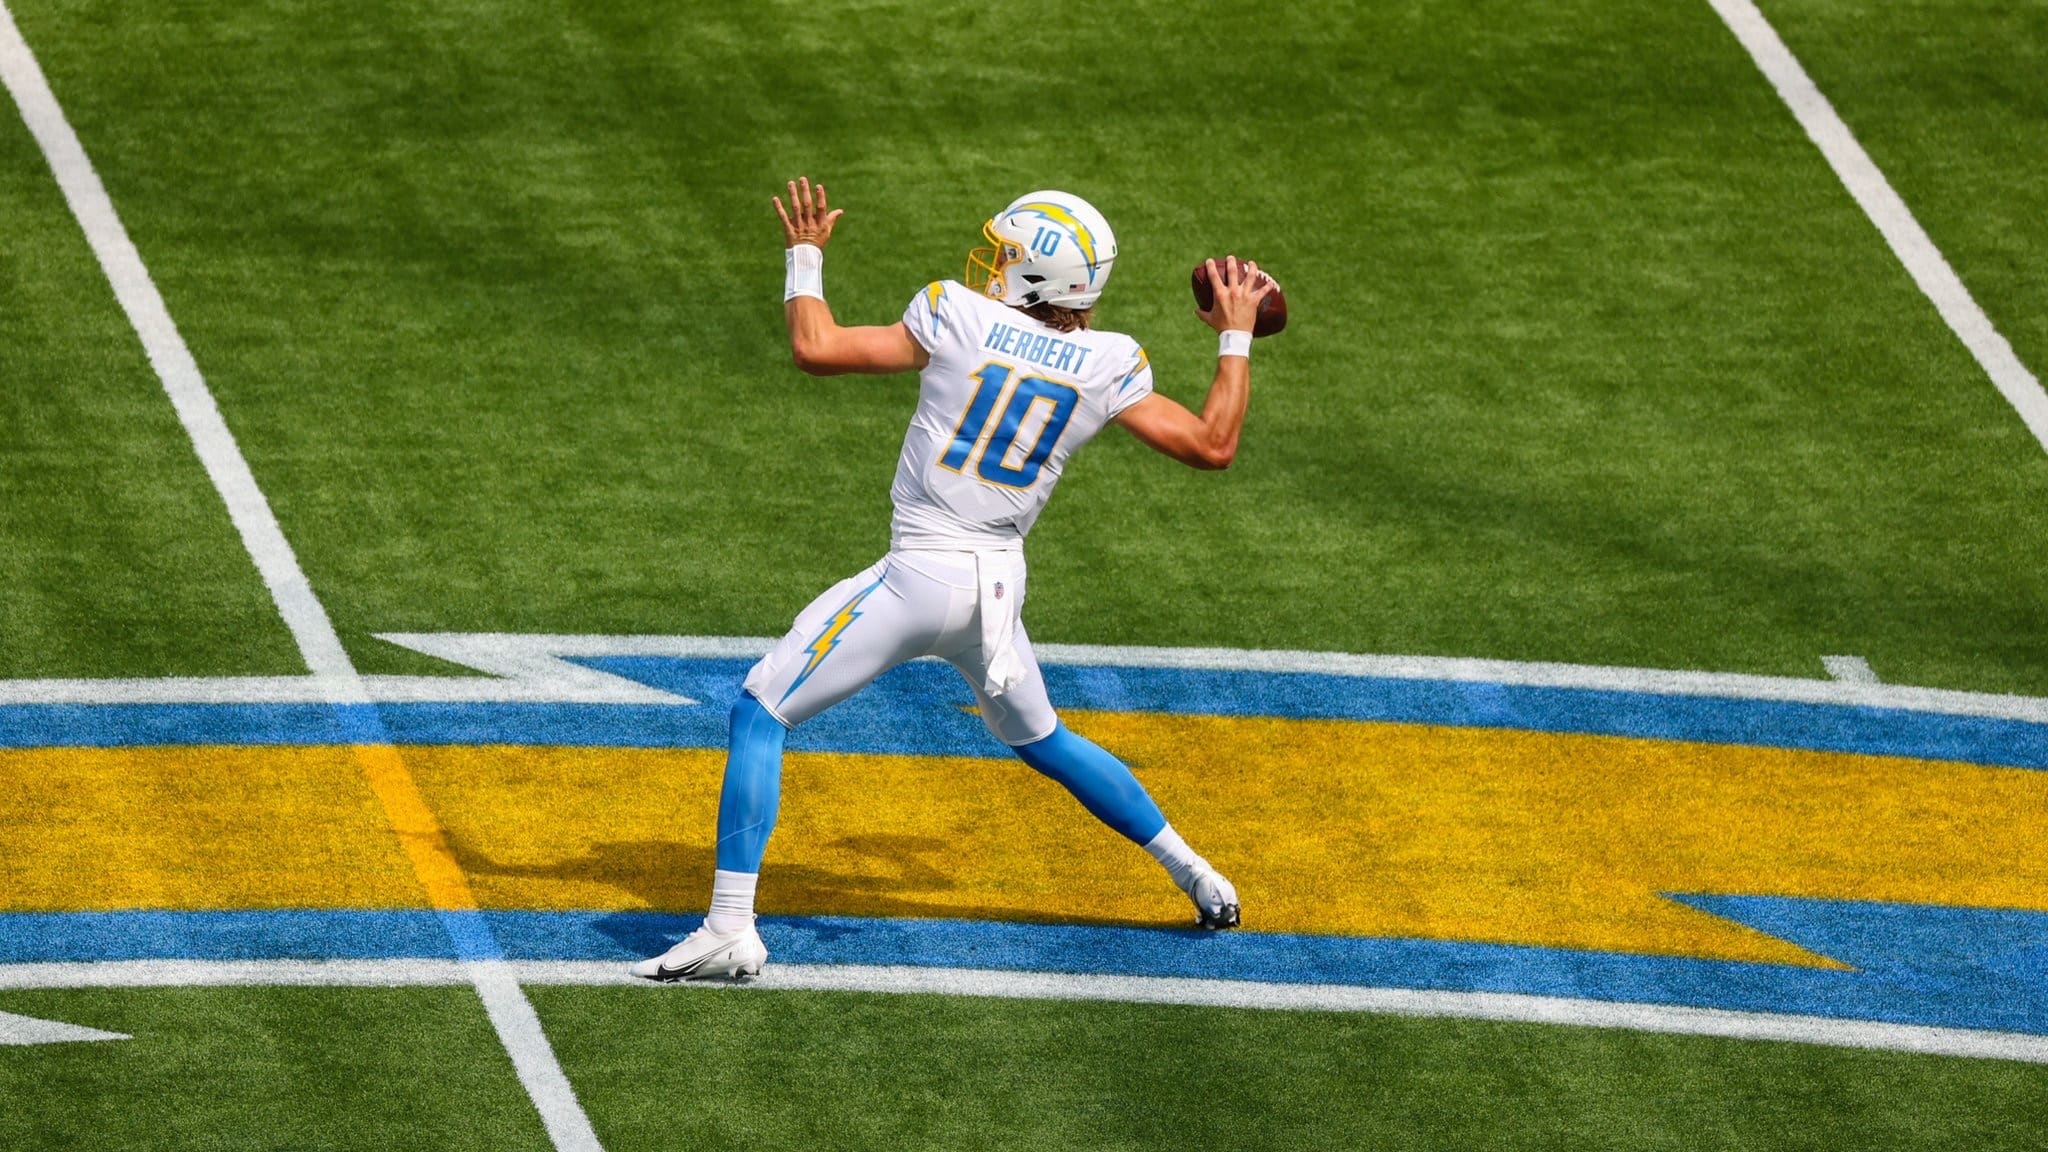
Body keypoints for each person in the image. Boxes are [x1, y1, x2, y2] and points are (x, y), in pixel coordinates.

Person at [631, 178, 1275, 981]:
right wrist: (1236, 334)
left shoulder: (957, 314)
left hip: (920, 575)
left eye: (1008, 254)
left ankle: (729, 927)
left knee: (761, 707)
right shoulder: (1111, 361)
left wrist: (805, 256)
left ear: (1037, 273)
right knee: (1045, 741)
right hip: (997, 595)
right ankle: (1198, 874)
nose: (993, 262)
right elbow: (1213, 444)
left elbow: (816, 348)